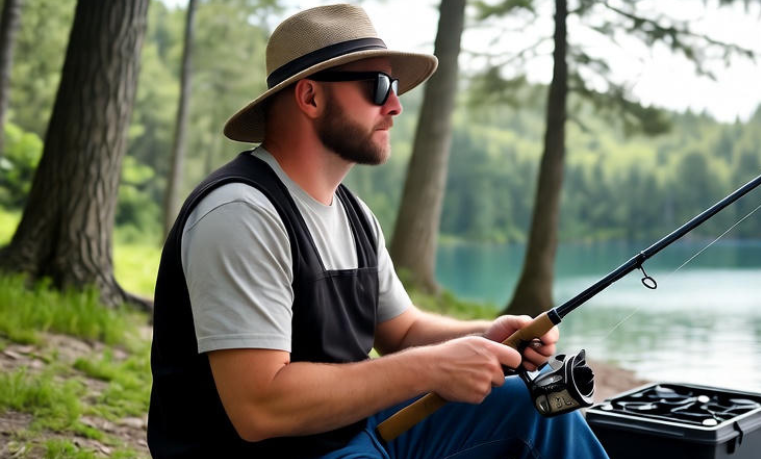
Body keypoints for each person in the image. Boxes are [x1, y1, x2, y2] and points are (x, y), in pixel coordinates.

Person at [147, 4, 609, 459]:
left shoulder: (355, 216)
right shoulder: (240, 214)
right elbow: (259, 408)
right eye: (378, 86)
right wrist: (433, 367)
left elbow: (402, 332)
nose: (395, 105)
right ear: (310, 97)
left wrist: (488, 337)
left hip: (349, 434)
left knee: (539, 408)